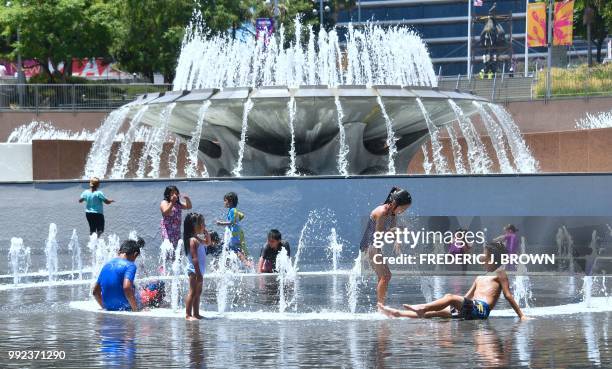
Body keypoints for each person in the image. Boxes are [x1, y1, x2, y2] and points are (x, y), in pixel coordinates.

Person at [378, 242, 527, 321]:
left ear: (493, 258)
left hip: (481, 310)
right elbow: (467, 297)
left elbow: (508, 296)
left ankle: (422, 307)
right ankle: (397, 313)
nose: (482, 259)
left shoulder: (500, 273)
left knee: (449, 297)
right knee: (433, 313)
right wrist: (456, 304)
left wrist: (521, 315)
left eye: (485, 257)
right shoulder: (479, 277)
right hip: (471, 308)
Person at [359, 187, 412, 306]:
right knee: (386, 276)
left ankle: (381, 305)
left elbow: (392, 229)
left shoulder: (392, 212)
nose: (403, 211)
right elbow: (379, 234)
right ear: (394, 203)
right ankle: (381, 307)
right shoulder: (382, 212)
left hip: (374, 245)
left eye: (405, 209)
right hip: (370, 246)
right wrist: (399, 230)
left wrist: (397, 241)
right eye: (402, 208)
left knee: (383, 276)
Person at [92, 238, 145, 311]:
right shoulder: (130, 266)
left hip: (109, 307)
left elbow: (95, 292)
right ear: (135, 254)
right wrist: (135, 309)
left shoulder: (106, 265)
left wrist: (105, 307)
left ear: (119, 252)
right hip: (125, 307)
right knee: (156, 287)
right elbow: (127, 287)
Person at [184, 213, 211, 321]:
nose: (204, 225)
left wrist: (207, 233)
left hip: (199, 271)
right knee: (192, 292)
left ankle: (196, 313)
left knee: (198, 292)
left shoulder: (198, 239)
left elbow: (208, 243)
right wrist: (198, 273)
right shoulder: (192, 240)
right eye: (202, 223)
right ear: (194, 226)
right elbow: (195, 259)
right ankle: (188, 315)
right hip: (194, 271)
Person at [216, 192, 251, 266]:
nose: (224, 202)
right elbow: (242, 215)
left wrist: (220, 223)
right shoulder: (234, 210)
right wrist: (237, 221)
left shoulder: (232, 210)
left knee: (235, 249)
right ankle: (227, 266)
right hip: (235, 232)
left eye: (225, 200)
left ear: (230, 201)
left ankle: (247, 263)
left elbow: (231, 222)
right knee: (230, 248)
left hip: (234, 233)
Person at [160, 185, 192, 253]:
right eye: (172, 193)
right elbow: (165, 212)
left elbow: (189, 207)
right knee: (168, 248)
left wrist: (187, 199)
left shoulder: (178, 204)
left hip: (176, 231)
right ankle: (164, 262)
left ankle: (176, 263)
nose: (175, 195)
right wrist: (172, 202)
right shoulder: (164, 202)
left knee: (177, 250)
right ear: (168, 194)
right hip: (168, 231)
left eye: (176, 193)